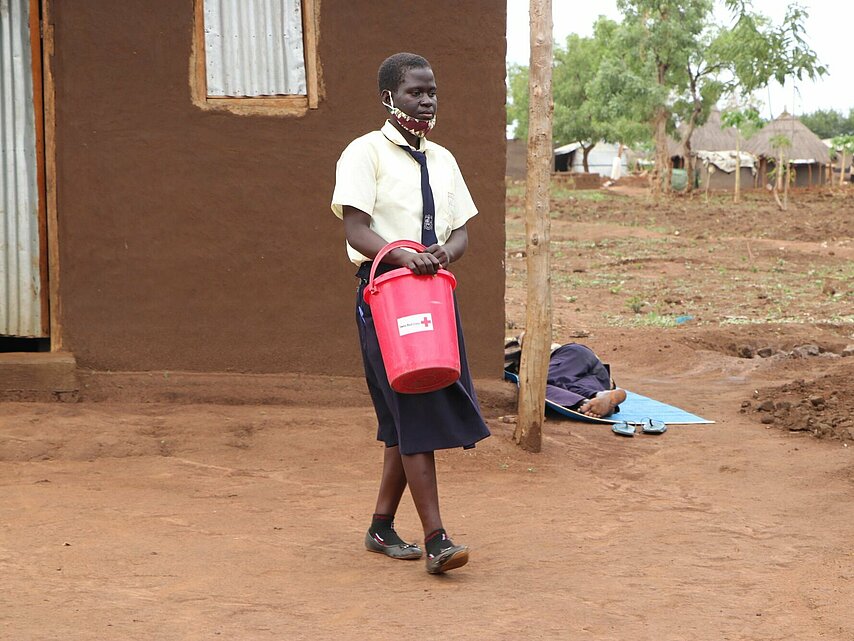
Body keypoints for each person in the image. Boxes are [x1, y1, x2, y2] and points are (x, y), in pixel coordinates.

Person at [331, 53, 490, 575]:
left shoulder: (443, 160)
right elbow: (356, 229)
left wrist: (446, 252)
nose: (426, 100)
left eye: (431, 92)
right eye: (415, 92)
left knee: (407, 415)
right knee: (413, 404)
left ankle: (381, 525)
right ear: (388, 97)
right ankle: (438, 539)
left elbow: (462, 230)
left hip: (434, 296)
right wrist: (401, 253)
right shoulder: (364, 153)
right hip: (387, 296)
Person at [505, 337, 627, 418]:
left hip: (573, 356)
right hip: (601, 379)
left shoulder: (513, 344)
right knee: (544, 389)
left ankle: (592, 400)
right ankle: (593, 399)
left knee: (535, 383)